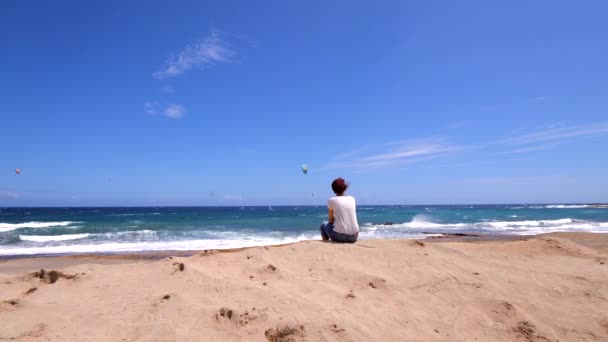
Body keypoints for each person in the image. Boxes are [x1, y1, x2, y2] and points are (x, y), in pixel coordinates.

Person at [320, 178, 359, 243]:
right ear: (345, 188)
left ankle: (325, 243)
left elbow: (331, 221)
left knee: (323, 224)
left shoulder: (331, 200)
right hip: (354, 236)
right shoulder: (352, 198)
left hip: (340, 236)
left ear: (333, 189)